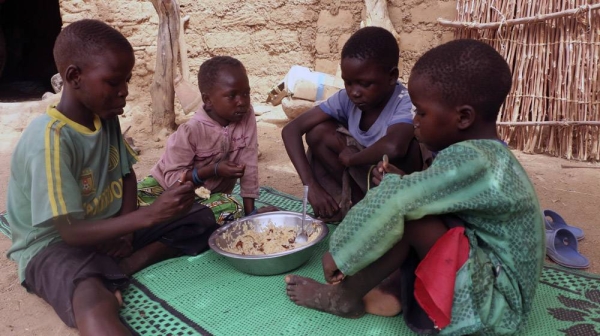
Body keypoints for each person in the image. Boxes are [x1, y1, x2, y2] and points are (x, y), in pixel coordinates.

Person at [284, 39, 545, 335]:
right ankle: (394, 291)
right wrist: (405, 182)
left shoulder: (475, 159)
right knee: (416, 208)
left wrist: (340, 253)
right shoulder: (485, 154)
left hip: (497, 311)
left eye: (421, 112)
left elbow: (400, 202)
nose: (414, 120)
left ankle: (341, 297)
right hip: (497, 289)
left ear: (463, 117)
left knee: (412, 217)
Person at [5, 19, 218, 335]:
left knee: (198, 218)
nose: (124, 93)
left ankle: (124, 266)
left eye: (127, 81)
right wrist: (147, 217)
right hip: (53, 245)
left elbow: (127, 176)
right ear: (74, 77)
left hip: (110, 228)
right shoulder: (50, 139)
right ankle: (102, 279)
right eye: (114, 82)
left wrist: (126, 232)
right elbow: (70, 233)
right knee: (90, 298)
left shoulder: (104, 118)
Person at [281, 26, 426, 222]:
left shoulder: (405, 101)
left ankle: (389, 218)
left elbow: (394, 146)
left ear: (392, 77)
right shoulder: (346, 99)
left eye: (365, 84)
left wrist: (354, 159)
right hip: (364, 179)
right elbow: (291, 130)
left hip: (395, 184)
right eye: (348, 83)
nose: (354, 92)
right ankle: (356, 210)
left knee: (410, 149)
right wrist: (311, 187)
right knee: (318, 132)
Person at [141, 56, 275, 223]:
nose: (242, 102)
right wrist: (213, 170)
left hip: (209, 199)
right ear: (208, 100)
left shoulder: (246, 116)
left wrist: (251, 214)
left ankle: (172, 227)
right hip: (165, 189)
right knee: (132, 206)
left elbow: (249, 165)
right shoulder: (191, 130)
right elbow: (171, 180)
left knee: (231, 208)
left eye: (246, 93)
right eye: (232, 95)